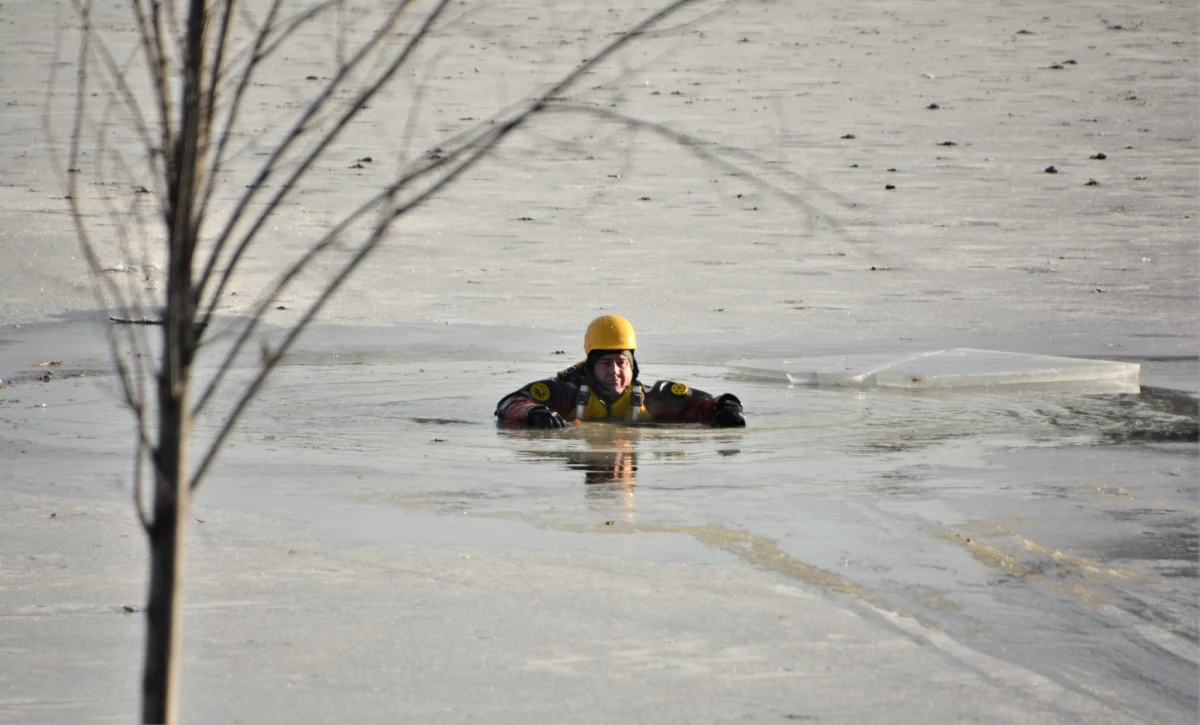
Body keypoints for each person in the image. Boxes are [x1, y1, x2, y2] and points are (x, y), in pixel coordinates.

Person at [495, 315, 746, 428]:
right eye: (605, 364)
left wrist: (728, 407)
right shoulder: (565, 391)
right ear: (590, 366)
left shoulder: (653, 398)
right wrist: (533, 412)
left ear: (632, 366)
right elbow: (509, 403)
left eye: (621, 363)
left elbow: (706, 405)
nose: (614, 371)